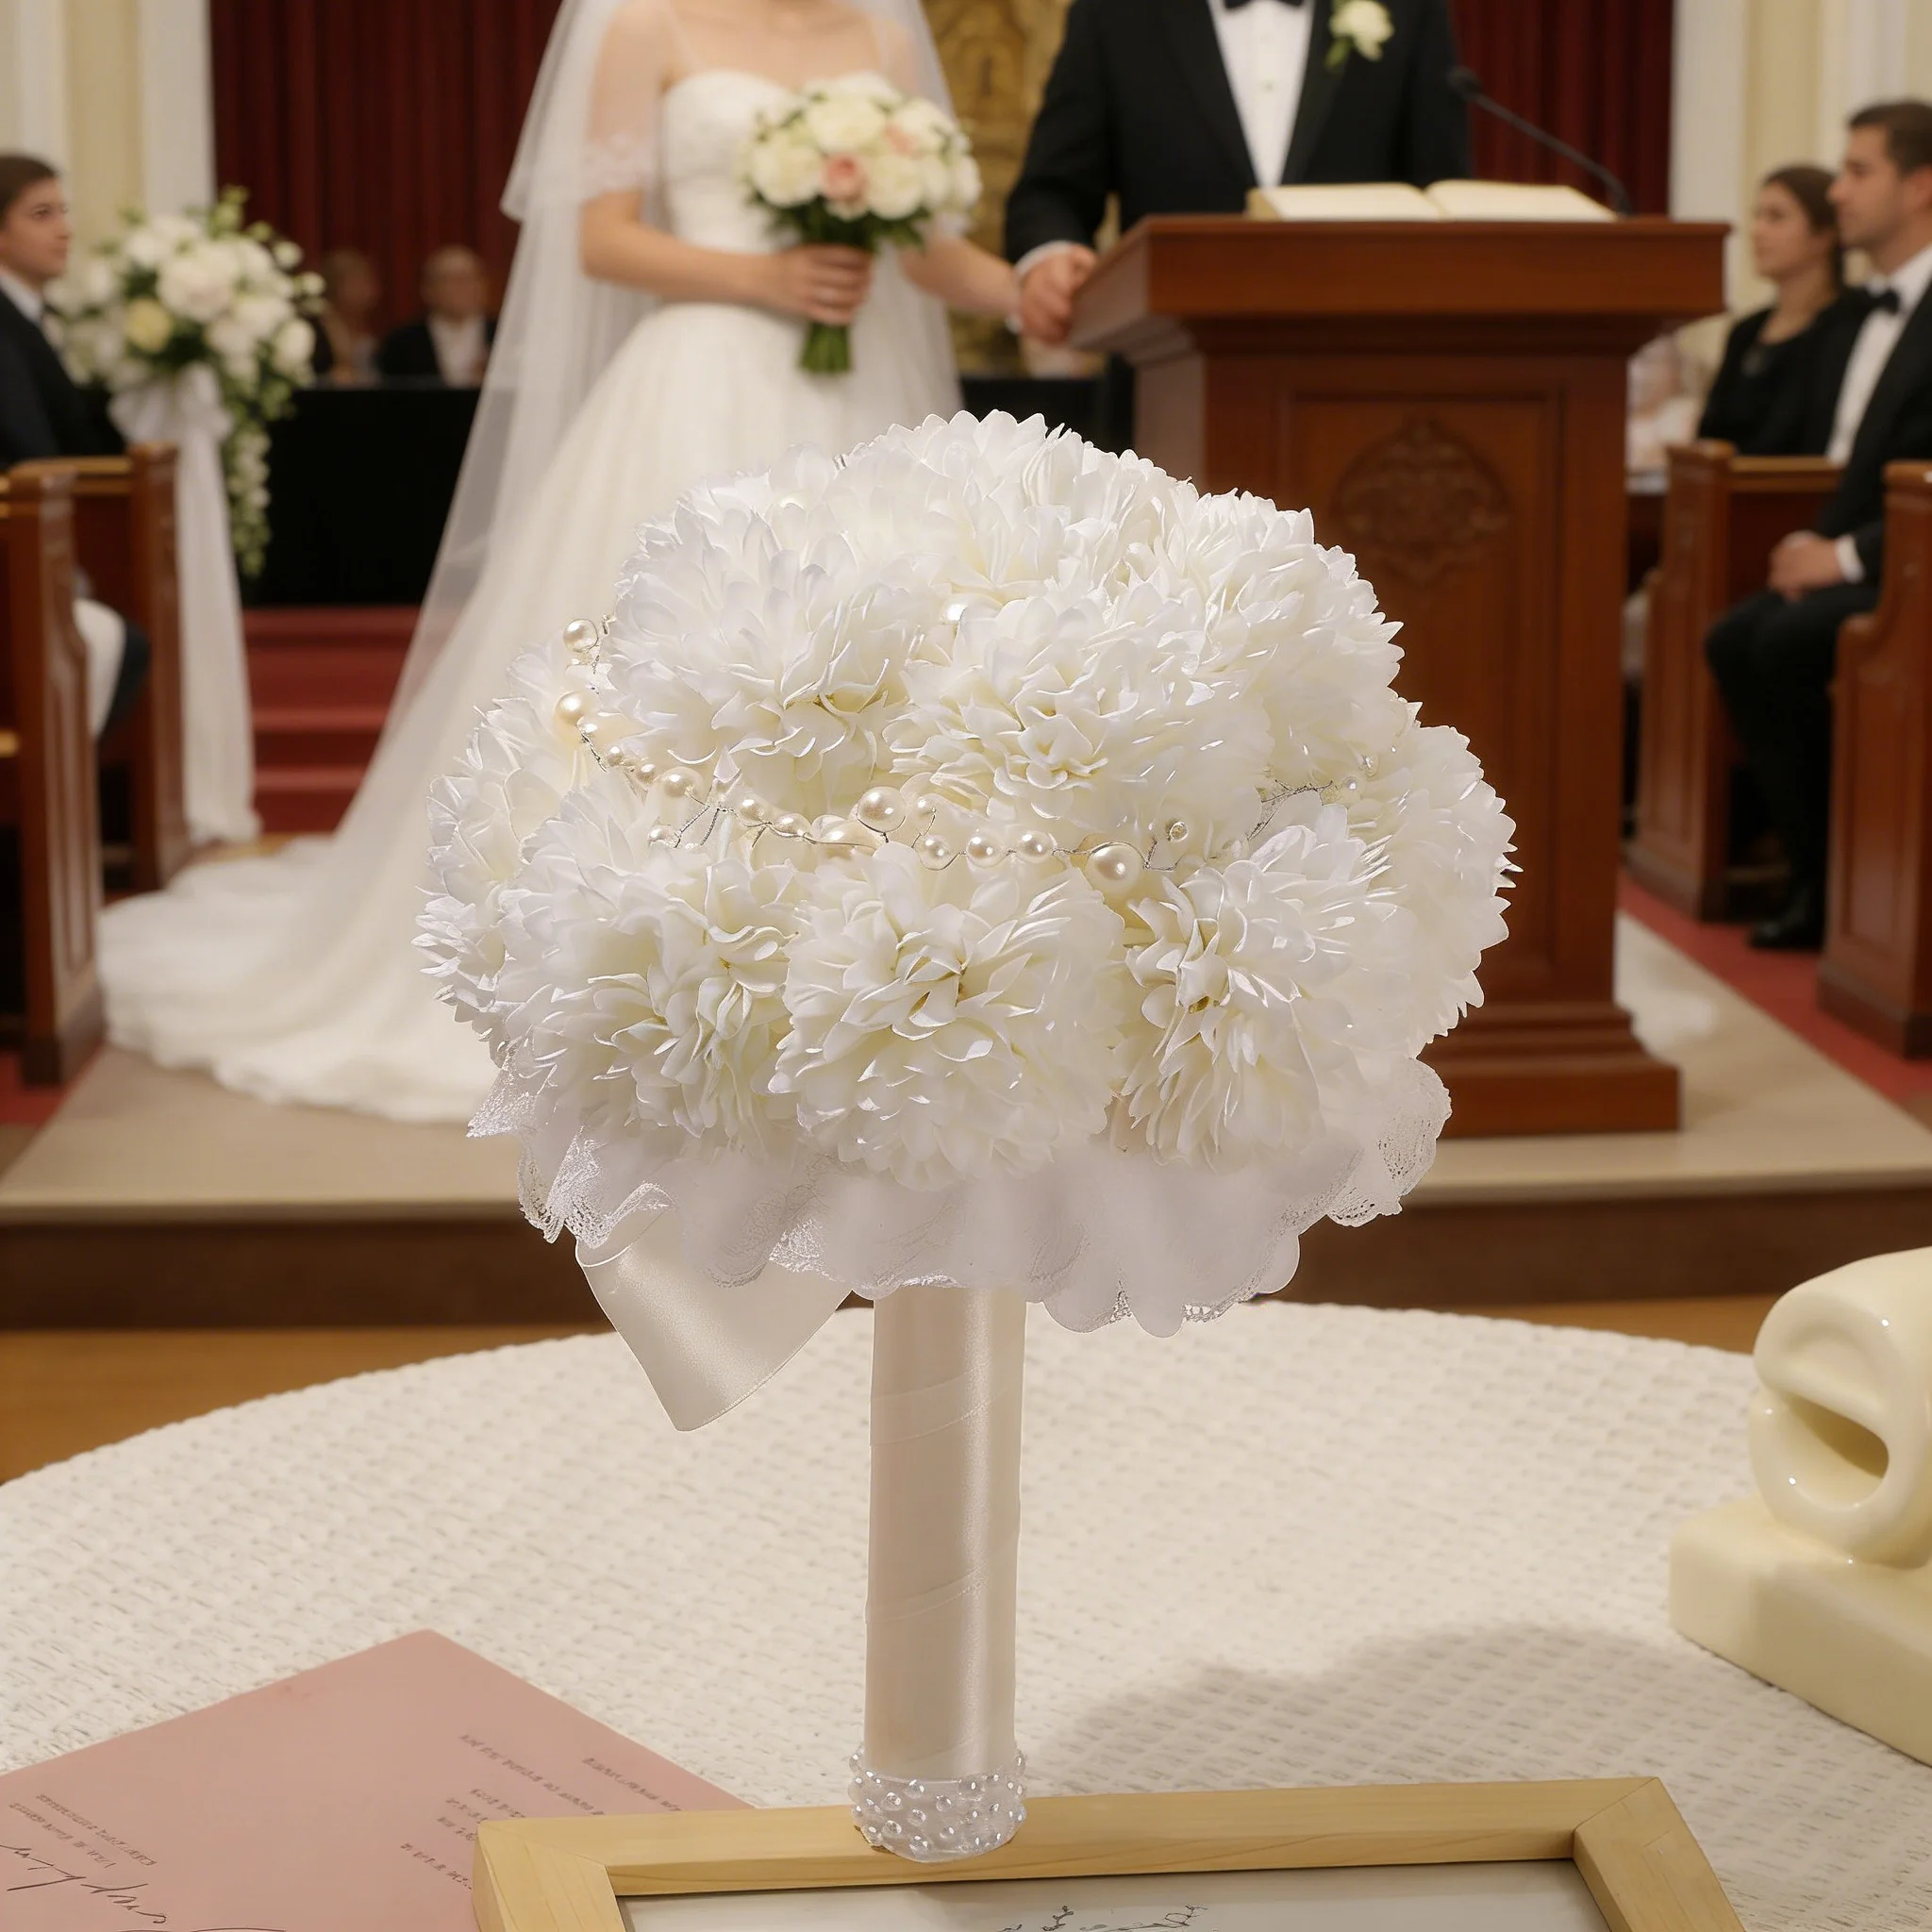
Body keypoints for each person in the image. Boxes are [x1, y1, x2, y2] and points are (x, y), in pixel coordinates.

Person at [97, 0, 1020, 1123]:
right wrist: (763, 279)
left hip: (859, 384)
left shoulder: (880, 36)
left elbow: (928, 251)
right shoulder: (647, 25)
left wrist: (1029, 286)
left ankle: (861, 967)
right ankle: (657, 964)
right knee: (666, 674)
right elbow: (601, 238)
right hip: (704, 374)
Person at [1706, 101, 1932, 952]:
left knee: (1784, 642)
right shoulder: (1862, 313)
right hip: (1877, 546)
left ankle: (1844, 882)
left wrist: (1843, 556)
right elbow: (1852, 460)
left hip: (1913, 559)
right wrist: (1813, 542)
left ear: (1921, 186)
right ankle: (1816, 868)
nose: (1838, 192)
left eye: (1859, 171)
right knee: (1735, 636)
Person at [1007, 0, 1469, 347]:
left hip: (1366, 368)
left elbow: (1443, 193)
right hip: (1164, 371)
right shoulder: (1115, 12)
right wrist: (1050, 256)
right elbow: (1051, 192)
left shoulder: (1410, 8)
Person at [0, 152, 146, 738]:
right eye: (42, 214)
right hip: (29, 537)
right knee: (119, 644)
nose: (64, 230)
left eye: (64, 212)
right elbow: (33, 450)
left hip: (55, 531)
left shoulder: (42, 317)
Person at [1698, 165, 1844, 456]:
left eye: (1776, 217)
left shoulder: (1848, 325)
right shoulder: (1746, 331)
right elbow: (1710, 432)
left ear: (1823, 235)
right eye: (1758, 216)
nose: (1757, 231)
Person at [376, 246, 498, 385]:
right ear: (427, 289)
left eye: (468, 278)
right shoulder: (401, 343)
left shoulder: (504, 333)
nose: (461, 287)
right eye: (449, 279)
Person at [311, 248, 382, 385]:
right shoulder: (317, 330)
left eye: (367, 281)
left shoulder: (369, 326)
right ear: (333, 286)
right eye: (355, 283)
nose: (365, 290)